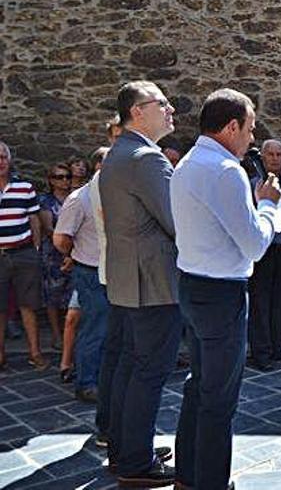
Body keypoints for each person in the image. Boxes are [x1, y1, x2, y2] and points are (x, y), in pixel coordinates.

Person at [171, 88, 281, 490]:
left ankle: (188, 475)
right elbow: (254, 244)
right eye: (250, 129)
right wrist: (268, 205)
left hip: (193, 285)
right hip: (220, 293)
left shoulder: (187, 163)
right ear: (232, 126)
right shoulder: (225, 170)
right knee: (220, 399)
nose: (252, 138)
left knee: (199, 385)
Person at [100, 81, 179, 487]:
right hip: (153, 282)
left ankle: (125, 448)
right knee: (148, 370)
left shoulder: (120, 152)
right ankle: (135, 461)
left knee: (130, 367)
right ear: (136, 111)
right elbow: (175, 223)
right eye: (161, 103)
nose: (170, 109)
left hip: (128, 280)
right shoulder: (148, 159)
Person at [53, 154, 107, 403]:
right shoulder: (79, 199)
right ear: (97, 167)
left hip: (113, 271)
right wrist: (76, 254)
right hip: (90, 271)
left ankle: (101, 378)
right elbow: (61, 238)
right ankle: (86, 383)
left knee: (108, 328)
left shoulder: (116, 195)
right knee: (93, 328)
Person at [247, 139, 281, 370]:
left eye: (279, 154)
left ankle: (279, 349)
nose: (275, 158)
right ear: (264, 156)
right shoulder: (254, 183)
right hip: (262, 248)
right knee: (261, 300)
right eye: (271, 155)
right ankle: (261, 353)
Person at [0, 140, 46, 371]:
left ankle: (35, 353)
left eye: (3, 157)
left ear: (10, 160)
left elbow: (34, 221)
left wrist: (35, 250)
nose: (0, 162)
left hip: (23, 254)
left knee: (29, 306)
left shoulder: (25, 188)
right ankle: (0, 356)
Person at [39, 162, 74, 350]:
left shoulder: (74, 198)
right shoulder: (46, 201)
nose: (65, 180)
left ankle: (70, 334)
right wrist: (65, 249)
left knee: (72, 297)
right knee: (53, 295)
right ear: (51, 180)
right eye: (59, 177)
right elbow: (48, 228)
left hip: (75, 252)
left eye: (67, 176)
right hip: (54, 253)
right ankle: (56, 334)